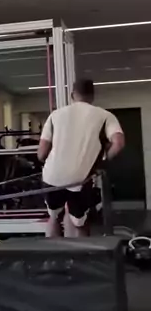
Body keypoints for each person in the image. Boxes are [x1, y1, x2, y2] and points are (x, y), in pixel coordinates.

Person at [37, 78, 125, 238]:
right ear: (92, 96)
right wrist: (102, 162)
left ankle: (52, 251)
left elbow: (41, 154)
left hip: (52, 177)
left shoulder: (55, 115)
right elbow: (118, 143)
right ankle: (81, 253)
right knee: (79, 222)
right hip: (81, 178)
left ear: (72, 95)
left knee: (54, 217)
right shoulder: (105, 116)